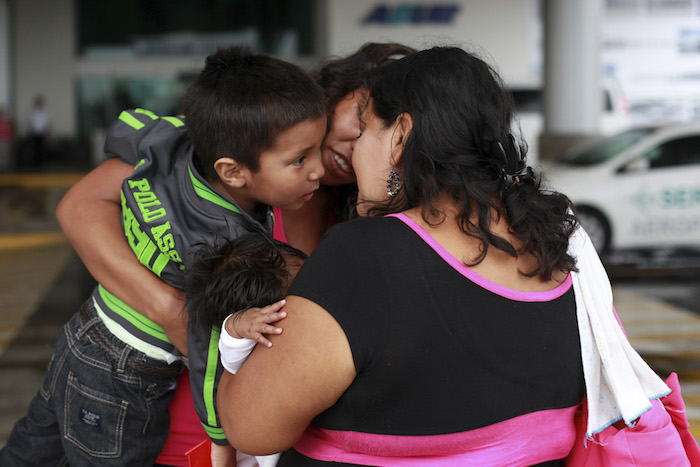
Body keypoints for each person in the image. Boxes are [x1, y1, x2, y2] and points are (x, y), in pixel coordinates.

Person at [217, 46, 587, 465]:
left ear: (400, 135)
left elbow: (252, 427)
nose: (355, 151)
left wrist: (231, 347)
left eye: (364, 131)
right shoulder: (560, 249)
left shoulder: (365, 256)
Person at [0, 45, 326, 466]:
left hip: (86, 331)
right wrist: (222, 441)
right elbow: (205, 348)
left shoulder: (175, 146)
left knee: (27, 454)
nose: (316, 170)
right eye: (300, 159)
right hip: (124, 374)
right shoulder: (224, 247)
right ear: (232, 172)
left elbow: (134, 129)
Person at [157, 41, 416, 467]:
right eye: (361, 115)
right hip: (196, 425)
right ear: (341, 88)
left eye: (381, 131)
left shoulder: (360, 217)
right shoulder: (240, 154)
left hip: (276, 438)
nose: (356, 141)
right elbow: (81, 208)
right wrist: (171, 308)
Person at [185, 233, 307, 467]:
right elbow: (230, 355)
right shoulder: (248, 348)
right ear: (262, 316)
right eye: (300, 291)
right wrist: (237, 324)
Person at [23, 94, 52, 167]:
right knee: (34, 148)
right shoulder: (31, 111)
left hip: (42, 132)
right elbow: (28, 122)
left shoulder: (46, 111)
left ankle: (41, 163)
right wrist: (27, 130)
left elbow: (49, 122)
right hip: (34, 132)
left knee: (41, 148)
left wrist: (48, 132)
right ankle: (34, 162)